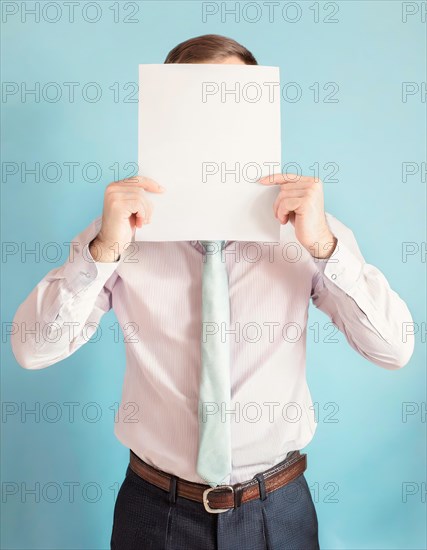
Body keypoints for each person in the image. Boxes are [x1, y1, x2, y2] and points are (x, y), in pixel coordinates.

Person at [11, 34, 415, 550]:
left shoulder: (309, 233)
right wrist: (103, 250)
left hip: (279, 510)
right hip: (153, 511)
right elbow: (31, 349)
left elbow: (394, 348)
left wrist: (325, 246)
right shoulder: (117, 233)